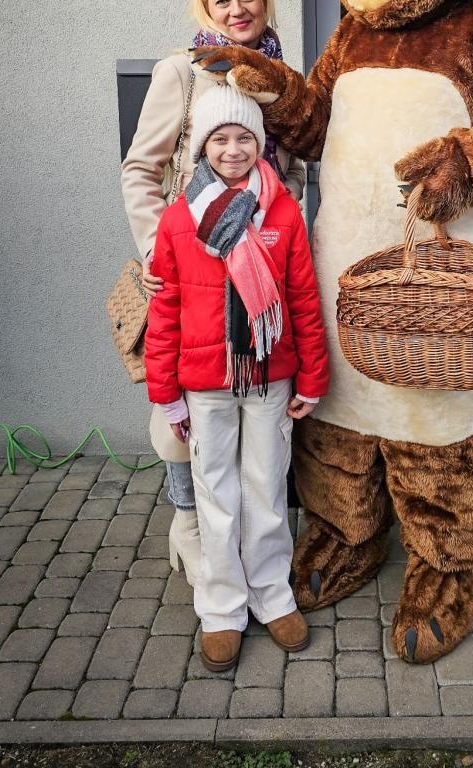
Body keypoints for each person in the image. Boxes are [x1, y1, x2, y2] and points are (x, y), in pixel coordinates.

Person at [121, 0, 305, 584]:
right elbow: (141, 170)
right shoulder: (181, 71)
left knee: (257, 408)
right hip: (191, 262)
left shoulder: (280, 76)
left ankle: (255, 542)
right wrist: (157, 249)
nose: (236, 10)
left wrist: (281, 224)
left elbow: (294, 165)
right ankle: (189, 526)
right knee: (180, 405)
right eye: (222, 0)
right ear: (205, 8)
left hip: (261, 267)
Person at [143, 86, 329, 671]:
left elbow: (303, 298)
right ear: (202, 146)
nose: (232, 149)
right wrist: (166, 394)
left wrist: (312, 377)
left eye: (244, 137)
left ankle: (272, 595)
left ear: (259, 144)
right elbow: (165, 310)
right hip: (204, 382)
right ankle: (222, 607)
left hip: (270, 375)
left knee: (266, 487)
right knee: (215, 492)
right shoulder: (179, 219)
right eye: (219, 138)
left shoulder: (282, 212)